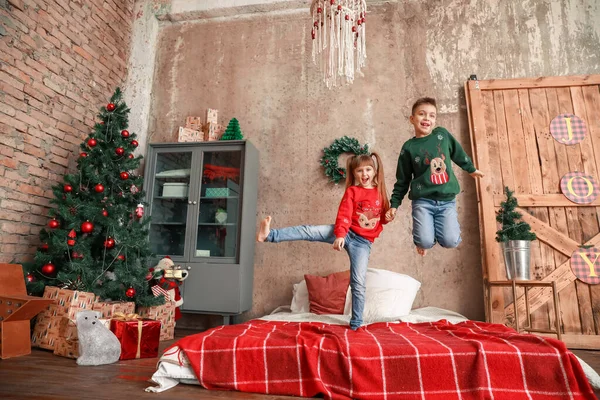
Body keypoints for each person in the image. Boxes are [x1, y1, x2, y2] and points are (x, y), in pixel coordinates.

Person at [257, 152, 390, 330]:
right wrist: (341, 235)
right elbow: (344, 213)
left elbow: (382, 218)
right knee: (308, 231)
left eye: (368, 169)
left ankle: (357, 323)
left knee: (358, 281)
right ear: (354, 173)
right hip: (346, 231)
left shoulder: (380, 192)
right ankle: (269, 235)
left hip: (362, 242)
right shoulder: (353, 191)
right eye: (359, 171)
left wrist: (389, 216)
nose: (364, 174)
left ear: (375, 171)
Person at [385, 97, 484, 256]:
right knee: (424, 240)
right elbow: (402, 180)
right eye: (422, 114)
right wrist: (394, 205)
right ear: (412, 119)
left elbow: (457, 152)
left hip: (446, 201)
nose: (427, 119)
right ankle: (423, 241)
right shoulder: (409, 148)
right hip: (422, 202)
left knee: (451, 241)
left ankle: (443, 232)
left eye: (432, 115)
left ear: (435, 120)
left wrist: (470, 169)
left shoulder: (442, 135)